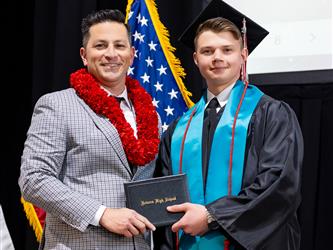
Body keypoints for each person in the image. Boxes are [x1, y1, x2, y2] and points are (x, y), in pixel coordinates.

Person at [153, 0, 303, 249]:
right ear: (195, 58)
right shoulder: (179, 129)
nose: (217, 58)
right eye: (208, 51)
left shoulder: (271, 114)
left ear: (243, 54)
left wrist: (212, 216)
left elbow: (279, 185)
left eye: (227, 50)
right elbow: (169, 196)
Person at [19, 9, 161, 249]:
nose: (111, 54)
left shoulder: (150, 114)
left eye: (119, 45)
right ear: (85, 55)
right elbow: (34, 179)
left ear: (132, 54)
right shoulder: (56, 105)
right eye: (100, 46)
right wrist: (102, 213)